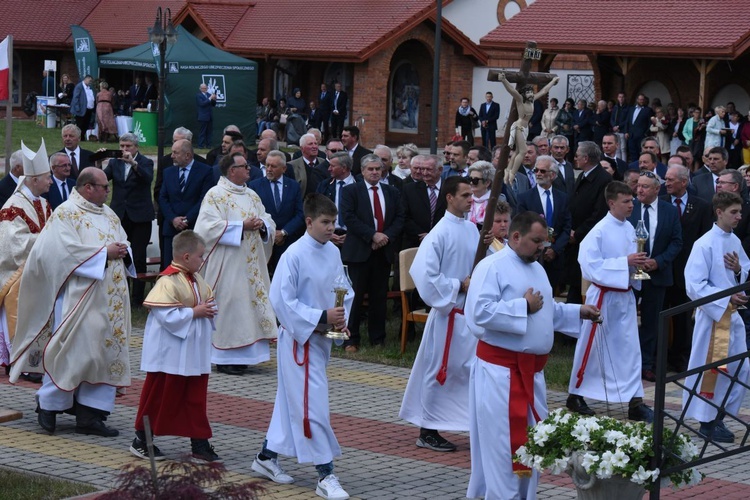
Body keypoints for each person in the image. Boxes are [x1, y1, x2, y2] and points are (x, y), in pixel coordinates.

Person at [465, 211, 599, 500]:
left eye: (545, 241)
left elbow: (544, 308)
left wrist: (578, 311)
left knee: (533, 445)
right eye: (536, 240)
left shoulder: (536, 267)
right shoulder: (492, 267)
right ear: (515, 237)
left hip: (532, 374)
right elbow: (478, 313)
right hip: (501, 374)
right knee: (504, 448)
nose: (542, 247)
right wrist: (521, 306)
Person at [10, 167, 134, 437]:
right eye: (104, 186)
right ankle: (49, 405)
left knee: (102, 354)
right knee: (74, 354)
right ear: (88, 187)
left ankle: (90, 415)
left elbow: (122, 242)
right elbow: (59, 253)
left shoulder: (109, 214)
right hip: (79, 298)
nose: (108, 190)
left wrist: (124, 251)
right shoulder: (66, 213)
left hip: (109, 299)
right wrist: (105, 253)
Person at [252, 193, 353, 500]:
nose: (330, 228)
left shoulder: (332, 252)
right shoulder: (293, 255)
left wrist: (340, 317)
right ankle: (325, 474)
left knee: (291, 402)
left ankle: (266, 457)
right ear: (309, 222)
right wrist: (321, 316)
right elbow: (281, 300)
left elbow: (343, 289)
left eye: (333, 222)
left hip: (321, 339)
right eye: (325, 222)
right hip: (300, 341)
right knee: (313, 407)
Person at [399, 176, 478, 452]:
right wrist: (459, 285)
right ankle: (427, 429)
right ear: (449, 198)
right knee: (439, 371)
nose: (471, 199)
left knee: (467, 371)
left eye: (472, 195)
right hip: (448, 314)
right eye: (466, 195)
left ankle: (468, 423)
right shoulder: (439, 233)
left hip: (469, 315)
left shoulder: (471, 229)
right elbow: (424, 275)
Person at [130, 230, 220, 462]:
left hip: (194, 351)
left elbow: (207, 303)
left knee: (194, 397)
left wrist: (208, 309)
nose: (204, 260)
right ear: (187, 256)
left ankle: (199, 443)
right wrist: (195, 312)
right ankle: (142, 439)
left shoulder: (197, 279)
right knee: (159, 396)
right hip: (169, 353)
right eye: (201, 256)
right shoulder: (167, 281)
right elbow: (165, 316)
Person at [567, 181, 654, 422]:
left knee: (629, 350)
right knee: (592, 347)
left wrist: (638, 266)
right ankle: (576, 394)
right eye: (626, 201)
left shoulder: (629, 228)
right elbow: (589, 266)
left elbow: (629, 259)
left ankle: (635, 402)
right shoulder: (599, 231)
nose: (631, 205)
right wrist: (624, 262)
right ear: (611, 202)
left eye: (632, 200)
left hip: (624, 296)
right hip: (603, 298)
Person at [194, 152, 277, 376]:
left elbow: (267, 218)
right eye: (244, 166)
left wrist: (262, 225)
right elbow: (205, 228)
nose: (250, 169)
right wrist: (241, 226)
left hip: (250, 266)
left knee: (249, 307)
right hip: (228, 263)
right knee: (231, 307)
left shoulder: (251, 195)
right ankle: (224, 357)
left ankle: (247, 356)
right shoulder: (215, 195)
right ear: (232, 170)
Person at [682, 191, 749, 444]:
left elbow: (745, 268)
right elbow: (694, 284)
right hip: (713, 318)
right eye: (734, 212)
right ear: (719, 212)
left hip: (732, 317)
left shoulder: (734, 240)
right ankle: (706, 420)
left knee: (741, 369)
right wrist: (726, 298)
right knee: (712, 370)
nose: (739, 217)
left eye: (740, 212)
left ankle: (720, 415)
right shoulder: (705, 243)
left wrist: (739, 270)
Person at [340, 155, 404, 351]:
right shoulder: (351, 191)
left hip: (382, 252)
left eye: (378, 168)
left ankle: (378, 338)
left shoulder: (391, 192)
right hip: (359, 252)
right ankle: (351, 338)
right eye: (371, 169)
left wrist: (384, 237)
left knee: (379, 298)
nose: (375, 172)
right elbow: (349, 218)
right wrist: (372, 236)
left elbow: (400, 217)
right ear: (362, 171)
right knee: (355, 297)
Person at [0, 141, 53, 373]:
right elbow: (12, 243)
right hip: (18, 272)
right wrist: (46, 241)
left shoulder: (44, 203)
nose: (51, 181)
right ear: (33, 180)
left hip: (42, 270)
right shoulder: (14, 204)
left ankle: (38, 361)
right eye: (47, 177)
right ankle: (21, 361)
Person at [627, 171, 682, 381]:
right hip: (630, 275)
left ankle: (646, 364)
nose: (639, 189)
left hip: (656, 275)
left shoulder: (668, 210)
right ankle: (627, 363)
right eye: (638, 185)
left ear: (657, 189)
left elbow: (677, 242)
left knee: (652, 322)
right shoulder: (629, 207)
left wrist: (657, 262)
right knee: (627, 321)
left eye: (645, 186)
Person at [103, 133, 155, 306]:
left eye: (128, 146)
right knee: (121, 255)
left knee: (139, 257)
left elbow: (147, 179)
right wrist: (98, 161)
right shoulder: (114, 162)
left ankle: (137, 299)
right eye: (122, 146)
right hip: (120, 215)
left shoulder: (146, 162)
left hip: (140, 217)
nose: (124, 150)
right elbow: (102, 179)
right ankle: (120, 293)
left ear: (136, 147)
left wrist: (133, 163)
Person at [158, 139, 214, 269]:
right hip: (171, 229)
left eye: (175, 153)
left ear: (187, 155)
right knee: (171, 269)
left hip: (194, 228)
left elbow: (204, 199)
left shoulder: (205, 171)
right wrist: (173, 219)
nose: (172, 156)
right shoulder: (168, 172)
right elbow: (163, 197)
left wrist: (187, 219)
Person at [497, 73, 559, 183]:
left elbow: (544, 91)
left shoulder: (532, 99)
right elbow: (512, 90)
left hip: (526, 128)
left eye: (531, 92)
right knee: (523, 151)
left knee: (517, 152)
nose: (530, 94)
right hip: (519, 126)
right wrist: (504, 80)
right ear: (524, 94)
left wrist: (553, 82)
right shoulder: (520, 99)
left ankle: (508, 170)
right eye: (528, 92)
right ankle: (512, 174)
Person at [250, 150, 305, 274]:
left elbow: (300, 214)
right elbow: (253, 214)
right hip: (264, 241)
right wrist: (270, 233)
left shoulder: (293, 186)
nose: (269, 169)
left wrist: (284, 232)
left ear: (284, 169)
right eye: (267, 165)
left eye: (273, 166)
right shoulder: (254, 186)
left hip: (287, 241)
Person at [70, 75, 95, 141]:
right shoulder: (79, 86)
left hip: (89, 109)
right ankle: (78, 137)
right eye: (89, 80)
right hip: (81, 109)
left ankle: (82, 136)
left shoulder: (89, 88)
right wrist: (77, 108)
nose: (90, 82)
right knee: (80, 124)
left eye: (91, 81)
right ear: (86, 79)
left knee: (86, 124)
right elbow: (75, 97)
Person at [196, 83, 217, 149]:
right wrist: (210, 98)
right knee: (202, 132)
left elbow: (213, 104)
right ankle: (200, 146)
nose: (204, 89)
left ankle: (209, 145)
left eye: (205, 88)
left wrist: (214, 99)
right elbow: (202, 104)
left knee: (209, 132)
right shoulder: (198, 95)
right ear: (200, 89)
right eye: (203, 88)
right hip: (203, 117)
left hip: (209, 116)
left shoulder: (209, 95)